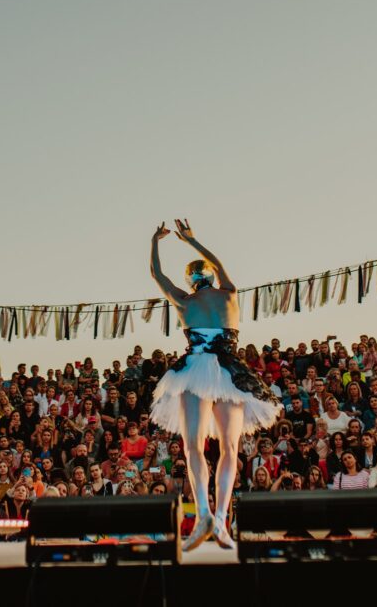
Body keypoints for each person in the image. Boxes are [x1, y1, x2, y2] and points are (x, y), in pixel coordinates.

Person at [149, 220, 280, 550]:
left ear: (190, 281)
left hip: (194, 370)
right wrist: (192, 241)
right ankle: (220, 518)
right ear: (210, 276)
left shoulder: (184, 301)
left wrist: (155, 241)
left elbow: (156, 275)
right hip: (227, 372)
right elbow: (219, 264)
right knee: (230, 448)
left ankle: (204, 515)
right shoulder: (229, 295)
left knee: (193, 447)